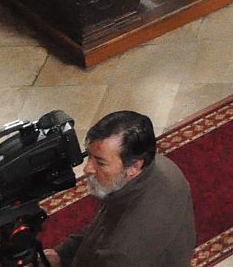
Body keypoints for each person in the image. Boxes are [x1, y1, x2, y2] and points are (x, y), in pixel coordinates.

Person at [42, 110, 194, 267]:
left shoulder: (121, 251)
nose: (87, 169)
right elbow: (103, 226)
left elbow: (112, 239)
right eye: (89, 156)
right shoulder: (158, 166)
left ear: (134, 166)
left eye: (100, 163)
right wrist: (62, 254)